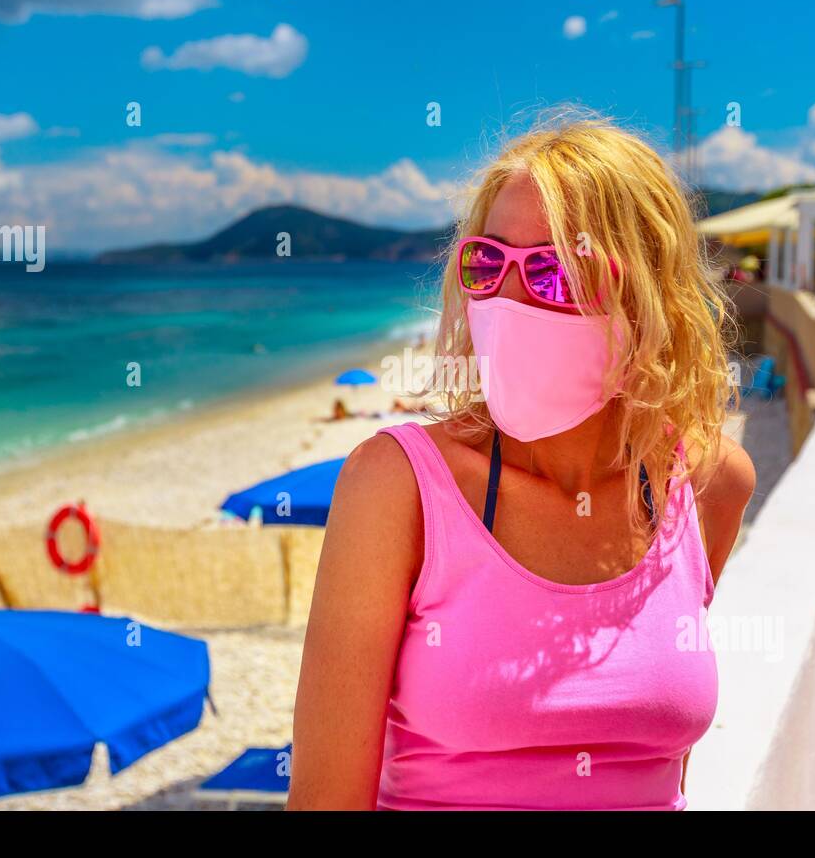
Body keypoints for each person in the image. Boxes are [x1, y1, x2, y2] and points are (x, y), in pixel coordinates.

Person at [289, 115, 755, 810]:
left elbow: (661, 768)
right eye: (488, 263)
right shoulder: (398, 486)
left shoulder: (707, 480)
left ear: (648, 297)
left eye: (558, 271)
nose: (510, 300)